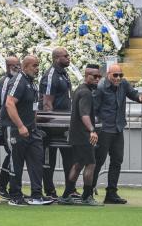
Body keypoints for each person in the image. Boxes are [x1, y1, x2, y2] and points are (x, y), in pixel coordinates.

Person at [1, 55, 52, 206]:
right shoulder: (18, 80)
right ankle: (15, 195)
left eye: (38, 65)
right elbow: (10, 103)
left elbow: (34, 108)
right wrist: (20, 126)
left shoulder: (32, 84)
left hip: (31, 129)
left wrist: (32, 126)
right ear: (25, 67)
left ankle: (36, 194)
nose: (37, 69)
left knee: (36, 160)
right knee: (15, 162)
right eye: (34, 66)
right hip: (15, 128)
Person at [93, 64, 142, 204]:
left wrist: (140, 97)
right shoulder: (100, 88)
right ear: (108, 74)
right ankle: (89, 190)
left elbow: (133, 93)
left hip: (118, 129)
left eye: (120, 75)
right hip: (104, 130)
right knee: (98, 160)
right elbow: (94, 110)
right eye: (115, 75)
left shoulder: (123, 84)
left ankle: (111, 193)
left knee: (117, 160)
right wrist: (93, 130)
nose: (118, 78)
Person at [59, 64, 103, 206]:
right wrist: (92, 130)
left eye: (99, 77)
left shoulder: (80, 90)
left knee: (78, 164)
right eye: (94, 76)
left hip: (76, 135)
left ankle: (66, 195)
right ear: (86, 76)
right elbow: (84, 115)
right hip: (84, 135)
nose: (97, 79)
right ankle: (86, 196)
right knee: (90, 164)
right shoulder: (86, 93)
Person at [39, 47, 78, 199]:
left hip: (65, 124)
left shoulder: (64, 74)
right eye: (66, 56)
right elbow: (47, 103)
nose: (69, 58)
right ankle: (50, 191)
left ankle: (70, 190)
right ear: (56, 58)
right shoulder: (50, 76)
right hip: (52, 126)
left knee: (70, 156)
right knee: (49, 159)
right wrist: (51, 125)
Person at [0, 56, 20, 200]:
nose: (19, 68)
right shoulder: (6, 83)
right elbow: (5, 105)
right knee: (12, 153)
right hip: (8, 123)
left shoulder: (14, 81)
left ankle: (5, 186)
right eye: (17, 65)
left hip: (11, 123)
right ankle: (1, 186)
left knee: (13, 154)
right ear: (10, 67)